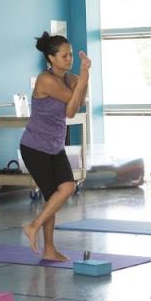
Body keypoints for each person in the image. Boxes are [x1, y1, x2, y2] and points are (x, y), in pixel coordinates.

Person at [20, 32, 90, 260]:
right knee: (64, 189)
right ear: (51, 58)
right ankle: (34, 228)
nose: (69, 59)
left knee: (58, 194)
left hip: (55, 146)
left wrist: (83, 79)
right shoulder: (46, 80)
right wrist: (83, 78)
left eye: (70, 55)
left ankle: (48, 248)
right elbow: (72, 107)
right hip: (35, 147)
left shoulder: (69, 79)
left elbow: (75, 106)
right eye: (64, 56)